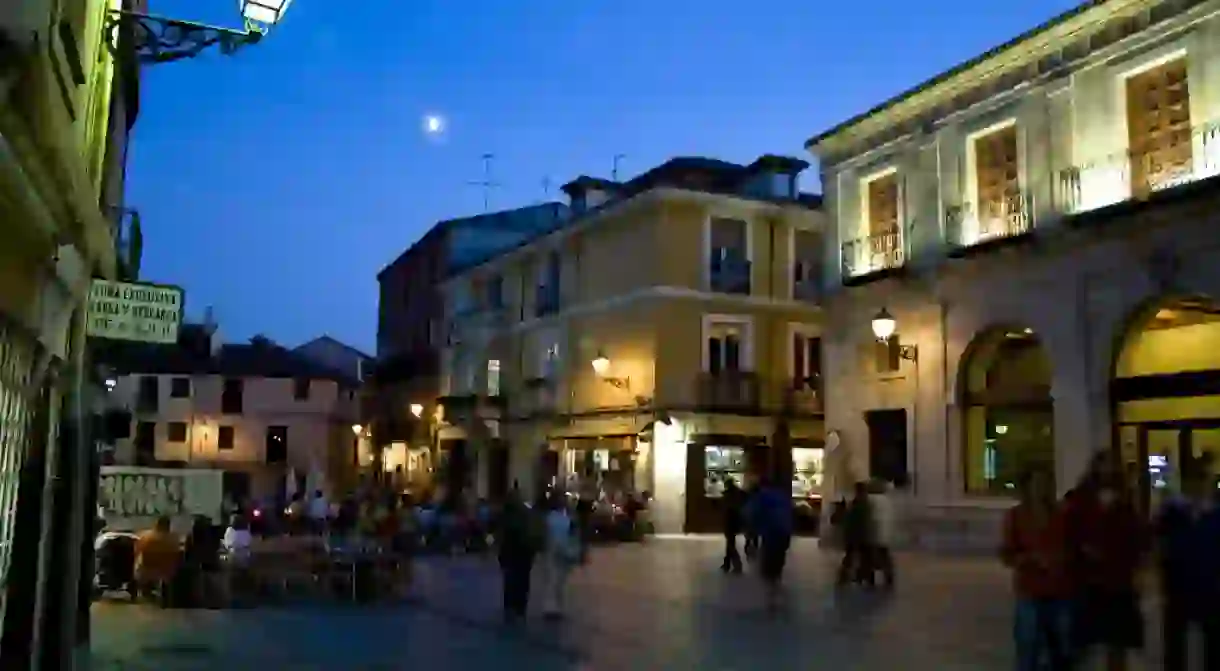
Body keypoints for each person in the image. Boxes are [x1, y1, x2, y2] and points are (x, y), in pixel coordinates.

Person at [1064, 451, 1147, 671]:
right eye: (1103, 464)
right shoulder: (1081, 498)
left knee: (1117, 641)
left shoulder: (1125, 499)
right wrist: (1082, 549)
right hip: (1088, 579)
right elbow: (1069, 532)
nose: (1107, 470)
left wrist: (1138, 569)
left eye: (1111, 465)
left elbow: (1136, 537)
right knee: (1085, 641)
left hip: (1119, 579)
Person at [1001, 469, 1072, 671]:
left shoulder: (1062, 515)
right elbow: (1007, 553)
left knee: (1060, 649)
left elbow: (1072, 546)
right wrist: (1030, 559)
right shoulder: (1016, 516)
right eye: (1037, 484)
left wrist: (1061, 560)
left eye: (1045, 484)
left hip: (1059, 589)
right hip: (1030, 590)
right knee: (1028, 646)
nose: (1041, 489)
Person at [1155, 456, 1220, 671]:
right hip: (1182, 586)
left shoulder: (1212, 514)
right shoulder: (1174, 512)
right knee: (1176, 646)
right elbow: (1161, 545)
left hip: (1207, 586)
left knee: (1209, 644)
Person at [749, 476, 794, 611]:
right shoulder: (783, 497)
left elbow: (751, 513)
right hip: (784, 533)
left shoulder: (762, 497)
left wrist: (752, 535)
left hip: (771, 534)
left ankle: (773, 596)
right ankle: (776, 588)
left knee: (768, 566)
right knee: (778, 562)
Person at [497, 489, 541, 622]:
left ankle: (512, 606)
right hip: (523, 553)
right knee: (521, 581)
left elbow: (501, 535)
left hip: (512, 553)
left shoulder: (506, 515)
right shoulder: (526, 514)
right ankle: (519, 607)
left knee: (511, 580)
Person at [540, 493, 581, 619]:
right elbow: (573, 534)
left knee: (552, 579)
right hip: (563, 550)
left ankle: (550, 606)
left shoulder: (548, 518)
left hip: (551, 549)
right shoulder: (567, 518)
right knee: (559, 580)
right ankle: (556, 606)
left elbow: (544, 534)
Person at [134, 515, 181, 607]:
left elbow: (136, 551)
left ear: (156, 524)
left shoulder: (144, 536)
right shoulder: (174, 538)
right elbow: (178, 554)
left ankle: (143, 590)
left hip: (145, 572)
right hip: (166, 573)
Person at [837, 482, 875, 587]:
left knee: (852, 557)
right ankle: (864, 578)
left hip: (853, 534)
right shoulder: (863, 503)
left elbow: (850, 519)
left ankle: (848, 577)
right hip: (860, 534)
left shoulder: (855, 503)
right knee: (864, 558)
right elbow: (864, 520)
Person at [721, 478, 745, 574]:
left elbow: (726, 508)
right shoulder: (740, 493)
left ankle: (737, 565)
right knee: (730, 542)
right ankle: (726, 564)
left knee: (730, 543)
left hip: (730, 521)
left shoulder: (729, 495)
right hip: (737, 521)